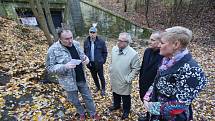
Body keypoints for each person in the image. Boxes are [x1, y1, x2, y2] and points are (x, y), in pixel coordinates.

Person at [143, 26, 209, 121]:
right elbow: (156, 81)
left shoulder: (192, 70)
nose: (158, 46)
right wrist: (147, 96)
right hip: (156, 115)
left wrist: (151, 108)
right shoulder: (166, 60)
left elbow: (178, 105)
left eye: (162, 43)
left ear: (176, 44)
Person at [45, 29, 99, 120]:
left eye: (71, 37)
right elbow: (49, 68)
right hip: (68, 82)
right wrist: (64, 66)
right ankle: (81, 112)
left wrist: (86, 59)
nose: (70, 41)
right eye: (66, 39)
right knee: (74, 100)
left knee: (88, 97)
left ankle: (92, 113)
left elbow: (82, 56)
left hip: (81, 78)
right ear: (60, 39)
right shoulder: (53, 50)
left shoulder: (76, 44)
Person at [109, 32, 141, 120]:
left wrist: (129, 79)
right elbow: (112, 61)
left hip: (124, 79)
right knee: (115, 92)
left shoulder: (133, 54)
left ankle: (126, 110)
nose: (119, 42)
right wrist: (111, 69)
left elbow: (136, 68)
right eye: (118, 40)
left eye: (122, 41)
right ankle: (116, 105)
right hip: (115, 77)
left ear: (127, 42)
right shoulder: (114, 49)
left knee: (125, 96)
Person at [138, 31, 163, 121]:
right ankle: (148, 116)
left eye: (152, 40)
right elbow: (143, 67)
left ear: (160, 42)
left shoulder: (163, 55)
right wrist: (140, 80)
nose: (149, 41)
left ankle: (152, 118)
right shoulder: (147, 51)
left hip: (155, 88)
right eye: (150, 39)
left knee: (154, 107)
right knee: (146, 103)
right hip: (144, 84)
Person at [84, 26, 108, 96]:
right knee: (94, 76)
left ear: (96, 33)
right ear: (89, 33)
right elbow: (85, 52)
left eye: (93, 32)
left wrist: (103, 61)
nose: (92, 34)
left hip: (99, 63)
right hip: (90, 63)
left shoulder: (101, 42)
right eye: (91, 32)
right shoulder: (86, 42)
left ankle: (103, 89)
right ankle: (98, 87)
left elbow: (105, 52)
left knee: (101, 77)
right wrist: (86, 61)